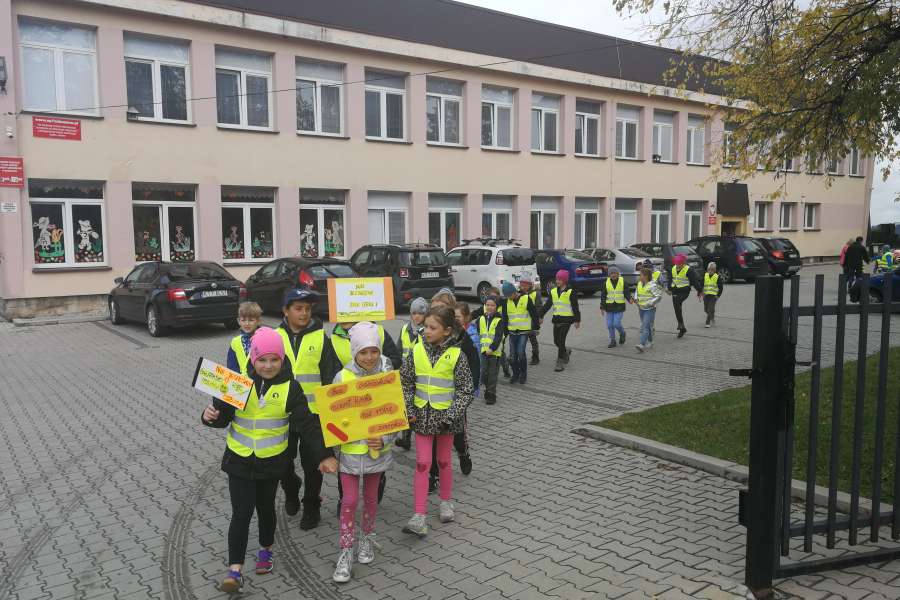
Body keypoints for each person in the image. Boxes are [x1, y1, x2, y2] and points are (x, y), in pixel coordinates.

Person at [201, 327, 338, 592]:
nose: (268, 365)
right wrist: (209, 417)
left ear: (283, 359)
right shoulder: (237, 384)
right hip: (239, 460)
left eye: (274, 359)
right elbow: (221, 417)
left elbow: (308, 425)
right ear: (253, 359)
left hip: (272, 463)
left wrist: (325, 455)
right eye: (262, 359)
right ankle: (235, 571)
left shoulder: (292, 388)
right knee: (241, 514)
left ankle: (266, 549)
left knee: (265, 510)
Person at [331, 322, 398, 583]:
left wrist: (384, 438)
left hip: (376, 455)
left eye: (373, 351)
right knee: (348, 502)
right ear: (354, 353)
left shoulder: (387, 377)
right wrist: (334, 447)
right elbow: (333, 418)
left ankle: (366, 539)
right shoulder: (342, 378)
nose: (369, 357)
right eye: (363, 352)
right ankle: (346, 551)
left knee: (371, 500)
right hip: (349, 454)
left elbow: (395, 417)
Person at [400, 306, 475, 537]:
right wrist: (409, 410)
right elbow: (405, 383)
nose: (427, 331)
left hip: (446, 419)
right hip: (422, 417)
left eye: (433, 328)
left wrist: (452, 415)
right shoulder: (416, 351)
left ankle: (445, 501)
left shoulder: (457, 355)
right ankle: (419, 515)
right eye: (425, 327)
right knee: (423, 463)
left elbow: (466, 390)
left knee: (443, 461)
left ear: (447, 331)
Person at [276, 288, 341, 528]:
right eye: (298, 308)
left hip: (314, 415)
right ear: (285, 310)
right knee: (282, 462)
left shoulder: (320, 338)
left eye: (308, 309)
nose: (304, 313)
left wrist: (331, 413)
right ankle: (291, 487)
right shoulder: (274, 336)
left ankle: (311, 505)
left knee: (313, 464)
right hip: (283, 414)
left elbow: (330, 376)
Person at [428, 291, 475, 483]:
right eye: (433, 307)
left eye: (440, 307)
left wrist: (471, 387)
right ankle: (433, 474)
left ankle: (463, 453)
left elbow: (473, 363)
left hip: (454, 398)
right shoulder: (426, 335)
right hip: (430, 400)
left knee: (456, 434)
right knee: (431, 438)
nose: (435, 310)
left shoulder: (460, 337)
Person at [396, 297, 428, 451]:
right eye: (414, 313)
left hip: (420, 376)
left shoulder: (427, 332)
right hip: (405, 375)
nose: (416, 317)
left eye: (420, 313)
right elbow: (397, 351)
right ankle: (406, 438)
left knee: (418, 408)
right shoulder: (404, 329)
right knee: (406, 407)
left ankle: (423, 437)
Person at [538, 270, 580, 372]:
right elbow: (547, 305)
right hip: (556, 319)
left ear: (565, 281)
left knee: (561, 340)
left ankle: (560, 361)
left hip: (567, 319)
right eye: (557, 279)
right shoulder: (553, 292)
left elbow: (575, 307)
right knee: (556, 341)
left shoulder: (570, 291)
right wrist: (540, 316)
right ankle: (566, 351)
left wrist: (577, 320)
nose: (557, 281)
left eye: (560, 279)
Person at [500, 281, 540, 383]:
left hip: (524, 331)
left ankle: (523, 373)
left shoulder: (526, 298)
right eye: (507, 296)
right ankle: (515, 374)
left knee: (521, 353)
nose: (509, 297)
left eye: (510, 295)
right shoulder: (506, 302)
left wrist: (536, 327)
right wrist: (505, 333)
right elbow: (505, 318)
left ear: (514, 292)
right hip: (512, 332)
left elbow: (533, 313)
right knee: (513, 356)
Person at [330, 321, 401, 370]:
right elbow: (334, 372)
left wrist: (379, 370)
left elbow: (396, 360)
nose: (342, 318)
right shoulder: (334, 338)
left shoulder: (378, 331)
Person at [477, 295, 504, 405]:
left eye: (492, 305)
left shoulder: (499, 320)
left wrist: (492, 348)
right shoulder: (481, 319)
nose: (489, 307)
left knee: (492, 374)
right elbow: (479, 333)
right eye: (487, 305)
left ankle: (491, 394)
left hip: (494, 352)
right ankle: (487, 389)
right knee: (484, 372)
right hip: (483, 351)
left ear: (496, 307)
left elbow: (498, 336)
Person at [668, 254, 701, 338]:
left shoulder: (689, 270)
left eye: (679, 263)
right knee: (676, 307)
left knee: (677, 303)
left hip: (684, 291)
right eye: (676, 263)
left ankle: (681, 325)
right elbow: (671, 279)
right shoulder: (673, 268)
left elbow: (694, 281)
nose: (677, 265)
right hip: (675, 290)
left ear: (683, 263)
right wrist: (669, 288)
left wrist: (699, 290)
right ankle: (682, 327)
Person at [632, 269, 663, 352]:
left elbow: (658, 296)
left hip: (650, 309)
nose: (639, 277)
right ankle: (650, 341)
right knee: (647, 326)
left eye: (641, 275)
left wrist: (650, 303)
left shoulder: (652, 285)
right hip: (641, 308)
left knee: (645, 326)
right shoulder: (639, 283)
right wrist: (635, 299)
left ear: (645, 276)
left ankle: (642, 344)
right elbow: (636, 292)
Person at [227, 301, 262, 375]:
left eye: (251, 320)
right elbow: (232, 366)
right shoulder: (235, 342)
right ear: (238, 321)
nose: (247, 323)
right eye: (243, 320)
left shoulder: (264, 339)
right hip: (242, 384)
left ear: (258, 321)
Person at [600, 266, 628, 348]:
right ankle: (613, 340)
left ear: (618, 274)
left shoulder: (622, 281)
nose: (613, 275)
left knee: (616, 323)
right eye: (611, 273)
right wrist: (602, 306)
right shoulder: (606, 283)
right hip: (609, 307)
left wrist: (630, 299)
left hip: (619, 306)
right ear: (609, 275)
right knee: (609, 325)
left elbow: (626, 292)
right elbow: (603, 295)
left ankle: (622, 333)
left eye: (615, 273)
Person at [518, 277, 541, 365]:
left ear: (529, 285)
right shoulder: (519, 294)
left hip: (532, 321)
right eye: (521, 285)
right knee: (521, 340)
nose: (521, 287)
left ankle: (535, 357)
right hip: (522, 321)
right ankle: (520, 356)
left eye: (524, 285)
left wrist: (538, 318)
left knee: (533, 339)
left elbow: (539, 307)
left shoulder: (536, 294)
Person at [700, 262, 724, 327]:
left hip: (713, 296)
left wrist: (718, 295)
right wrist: (700, 292)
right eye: (709, 269)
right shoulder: (705, 276)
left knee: (710, 308)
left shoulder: (717, 277)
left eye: (712, 270)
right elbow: (701, 285)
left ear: (715, 270)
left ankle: (707, 322)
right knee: (706, 309)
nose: (711, 271)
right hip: (706, 295)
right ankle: (712, 316)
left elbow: (721, 288)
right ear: (707, 270)